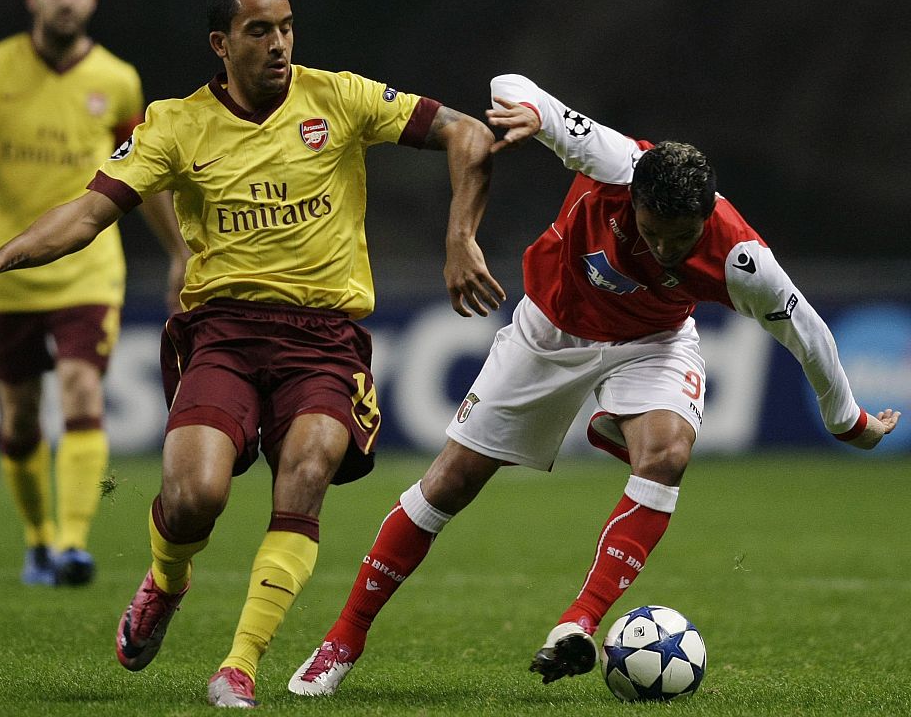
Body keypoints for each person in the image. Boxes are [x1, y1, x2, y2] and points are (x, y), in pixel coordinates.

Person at [0, 0, 504, 708]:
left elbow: (468, 132)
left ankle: (240, 664)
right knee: (194, 497)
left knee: (307, 471)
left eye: (286, 27)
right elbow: (89, 212)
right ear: (221, 43)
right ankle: (167, 581)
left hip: (323, 339)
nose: (279, 44)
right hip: (224, 335)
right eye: (259, 31)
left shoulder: (340, 98)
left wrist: (460, 239)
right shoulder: (176, 125)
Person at [285, 73, 903, 697]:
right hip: (548, 333)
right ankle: (342, 640)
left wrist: (846, 420)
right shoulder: (613, 162)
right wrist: (529, 111)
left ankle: (579, 620)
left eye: (681, 237)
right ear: (634, 198)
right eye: (652, 230)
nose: (664, 248)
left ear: (705, 216)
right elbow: (513, 84)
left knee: (668, 455)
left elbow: (809, 334)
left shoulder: (742, 259)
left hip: (652, 343)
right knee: (449, 483)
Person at [0, 0, 177, 587]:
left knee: (81, 388)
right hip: (2, 268)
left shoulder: (117, 78)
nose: (67, 0)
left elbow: (141, 174)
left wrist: (179, 249)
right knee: (18, 416)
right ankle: (39, 539)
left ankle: (72, 544)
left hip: (86, 268)